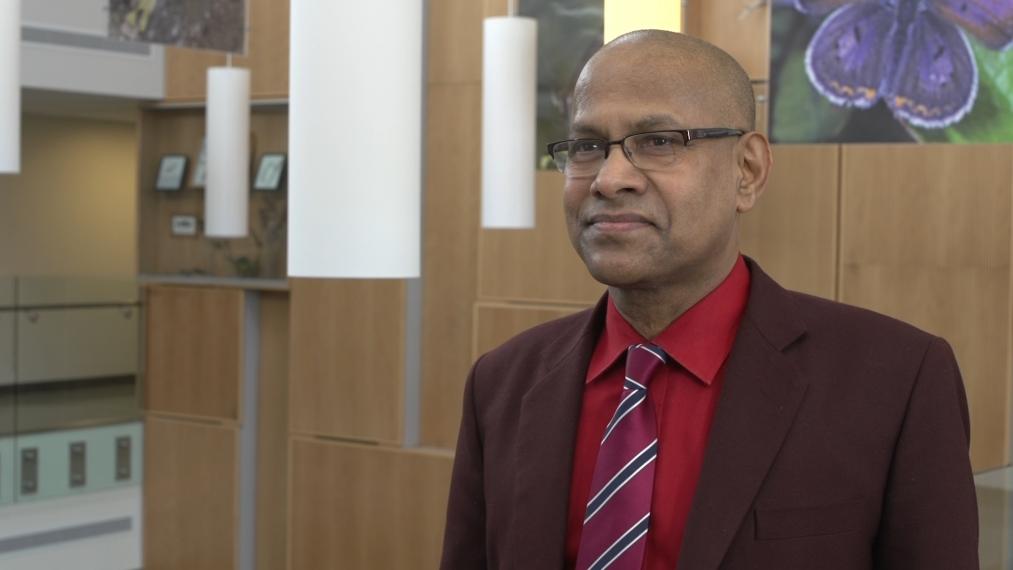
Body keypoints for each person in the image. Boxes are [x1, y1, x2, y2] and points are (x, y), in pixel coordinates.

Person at [440, 30, 978, 570]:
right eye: (587, 147)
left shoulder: (896, 380)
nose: (609, 178)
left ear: (747, 171)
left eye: (659, 142)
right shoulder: (502, 383)